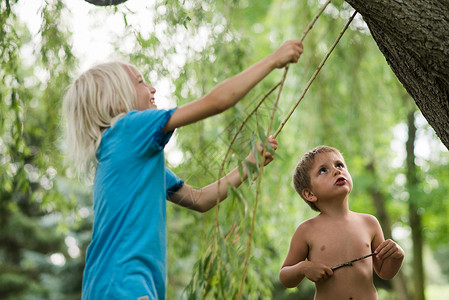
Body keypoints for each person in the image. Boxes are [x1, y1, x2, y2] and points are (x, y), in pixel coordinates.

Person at [63, 40, 303, 300]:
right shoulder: (128, 129)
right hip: (123, 283)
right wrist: (272, 61)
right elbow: (217, 102)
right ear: (116, 99)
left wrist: (248, 165)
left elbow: (200, 200)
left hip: (114, 284)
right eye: (141, 82)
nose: (152, 88)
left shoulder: (129, 157)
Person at [279, 146, 404, 299]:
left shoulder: (369, 223)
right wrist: (303, 268)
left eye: (339, 165)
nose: (337, 171)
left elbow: (385, 273)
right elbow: (285, 277)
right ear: (310, 194)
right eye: (323, 170)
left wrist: (397, 255)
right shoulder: (306, 230)